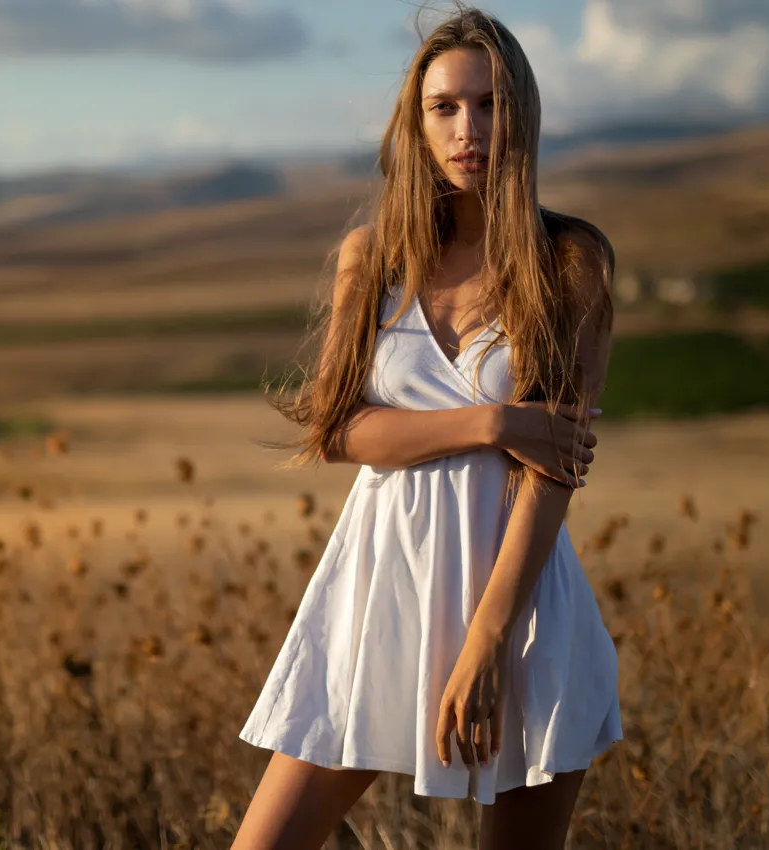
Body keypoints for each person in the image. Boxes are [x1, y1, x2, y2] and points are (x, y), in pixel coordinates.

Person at [234, 7, 623, 849]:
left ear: (522, 113)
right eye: (445, 107)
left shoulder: (571, 262)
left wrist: (488, 641)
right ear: (415, 124)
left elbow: (553, 469)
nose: (468, 129)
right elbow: (340, 433)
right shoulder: (371, 257)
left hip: (520, 616)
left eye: (489, 104)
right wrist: (491, 420)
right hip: (377, 594)